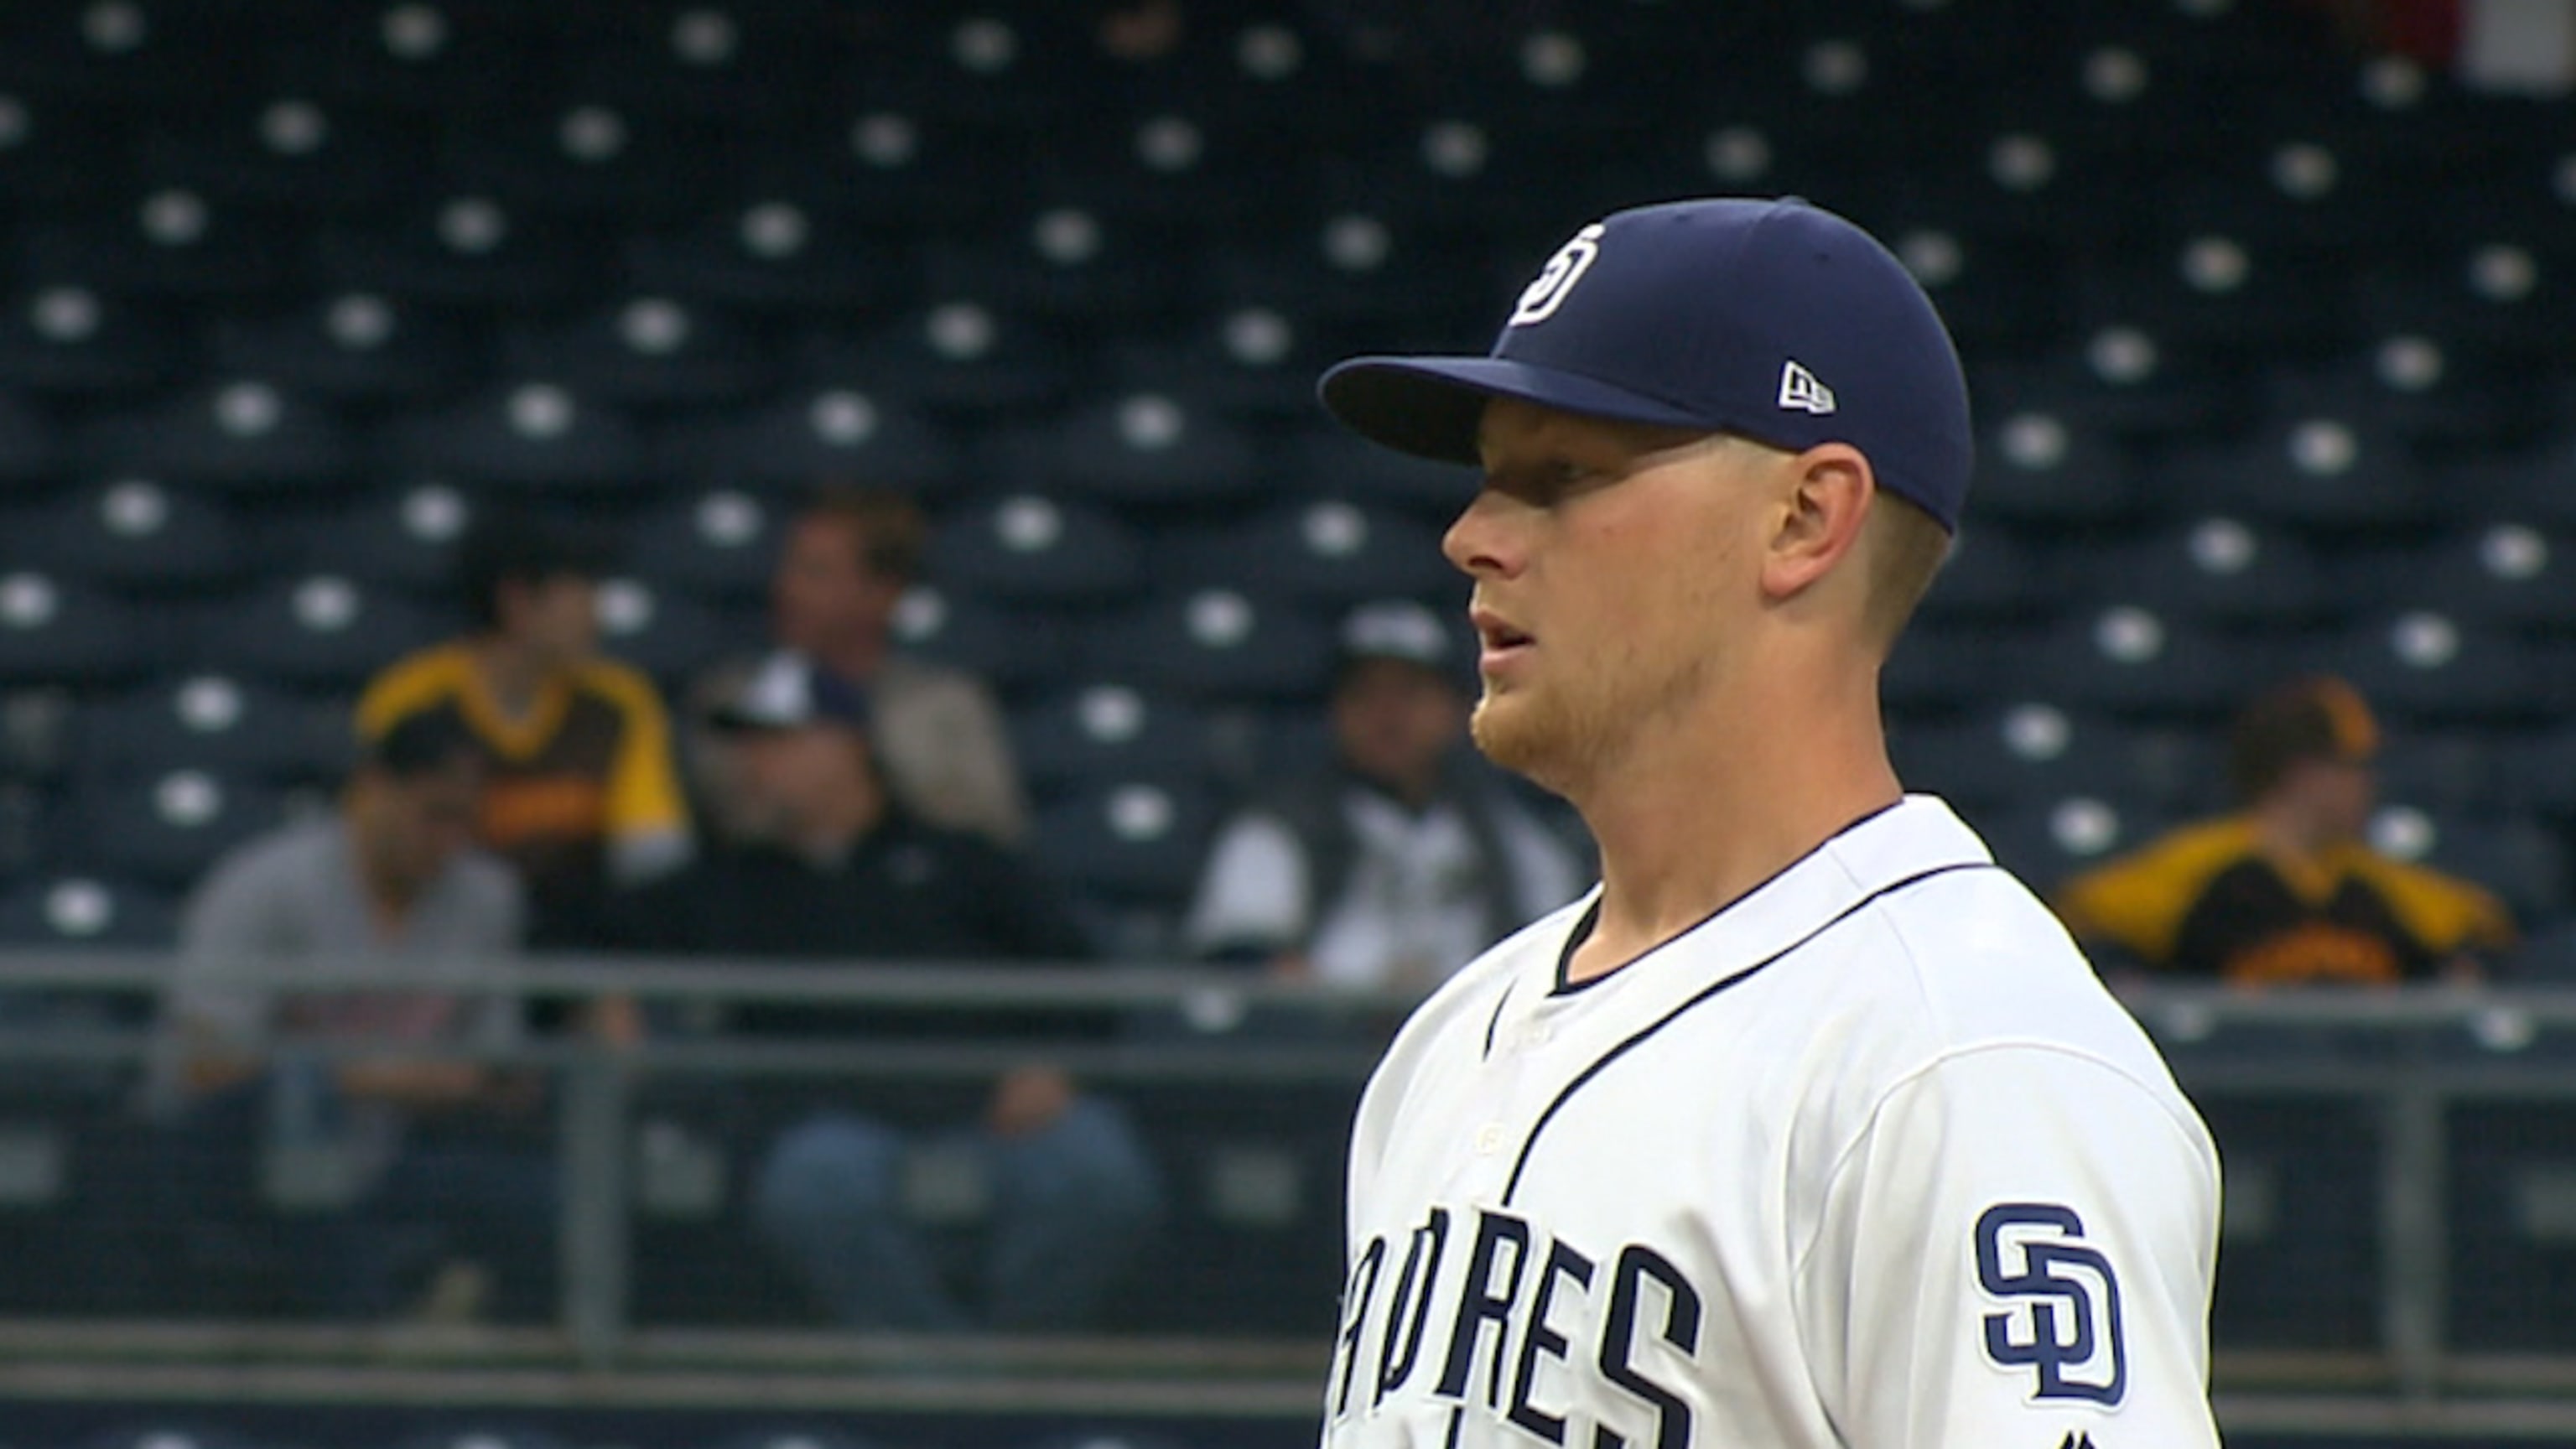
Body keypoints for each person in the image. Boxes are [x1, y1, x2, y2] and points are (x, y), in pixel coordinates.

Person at [1306, 198, 2221, 1446]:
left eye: (1559, 476)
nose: (1471, 537)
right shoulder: (1446, 1041)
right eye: (1485, 483)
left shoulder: (1966, 1064)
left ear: (1804, 518)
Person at [611, 653, 1158, 1332]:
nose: (751, 764)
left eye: (777, 742)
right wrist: (603, 1002)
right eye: (746, 745)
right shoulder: (732, 884)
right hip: (835, 1126)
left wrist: (1056, 1069)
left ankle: (1014, 1370)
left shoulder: (957, 859)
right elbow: (582, 933)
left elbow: (1085, 983)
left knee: (1100, 1172)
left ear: (847, 747)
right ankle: (941, 1389)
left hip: (994, 1111)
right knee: (814, 1184)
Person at [152, 713, 552, 1321]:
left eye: (466, 823)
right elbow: (206, 1066)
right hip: (246, 1152)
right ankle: (361, 1345)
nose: (450, 842)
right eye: (434, 815)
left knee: (542, 1191)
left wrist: (481, 1085)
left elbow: (497, 1067)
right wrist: (364, 1079)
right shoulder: (267, 883)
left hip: (398, 1150)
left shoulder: (486, 896)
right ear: (373, 789)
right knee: (307, 1113)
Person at [1183, 598, 1586, 995]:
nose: (1388, 715)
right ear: (1336, 711)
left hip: (1475, 1047)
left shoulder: (1511, 837)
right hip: (1326, 1051)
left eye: (1410, 693)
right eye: (1366, 694)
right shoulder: (1276, 831)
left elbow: (1560, 963)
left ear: (1457, 709)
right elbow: (1242, 967)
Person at [356, 510, 692, 953]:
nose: (598, 614)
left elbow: (650, 853)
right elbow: (376, 850)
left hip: (580, 952)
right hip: (442, 948)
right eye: (582, 592)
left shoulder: (620, 701)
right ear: (518, 602)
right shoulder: (409, 699)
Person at [2058, 676, 2513, 988]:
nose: (2368, 784)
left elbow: (2485, 926)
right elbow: (2080, 916)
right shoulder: (2198, 868)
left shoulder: (2380, 882)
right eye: (2354, 767)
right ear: (2302, 771)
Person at [742, 486, 1028, 846]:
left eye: (815, 572)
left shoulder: (947, 704)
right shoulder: (733, 696)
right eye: (789, 566)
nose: (788, 588)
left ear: (883, 593)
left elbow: (995, 833)